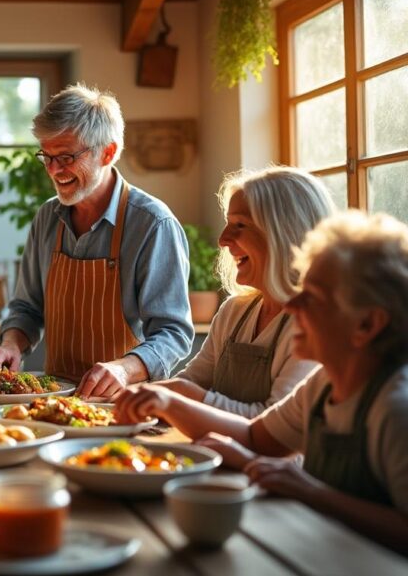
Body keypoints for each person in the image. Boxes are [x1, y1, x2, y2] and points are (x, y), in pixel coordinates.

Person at [115, 211, 408, 553]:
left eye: (312, 296)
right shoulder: (323, 384)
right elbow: (258, 437)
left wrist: (310, 491)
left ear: (367, 325)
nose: (293, 304)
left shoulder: (395, 408)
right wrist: (238, 453)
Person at [0, 83, 193, 398]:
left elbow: (173, 333)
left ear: (107, 152)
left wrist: (123, 368)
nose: (54, 170)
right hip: (53, 399)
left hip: (124, 404)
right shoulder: (47, 218)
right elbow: (27, 308)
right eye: (47, 156)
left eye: (66, 157)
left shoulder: (152, 224)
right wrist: (12, 343)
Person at [153, 167, 334, 417]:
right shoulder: (234, 310)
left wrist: (179, 397)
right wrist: (133, 398)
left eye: (240, 225)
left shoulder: (317, 324)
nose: (223, 240)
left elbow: (275, 426)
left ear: (284, 233)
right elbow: (191, 381)